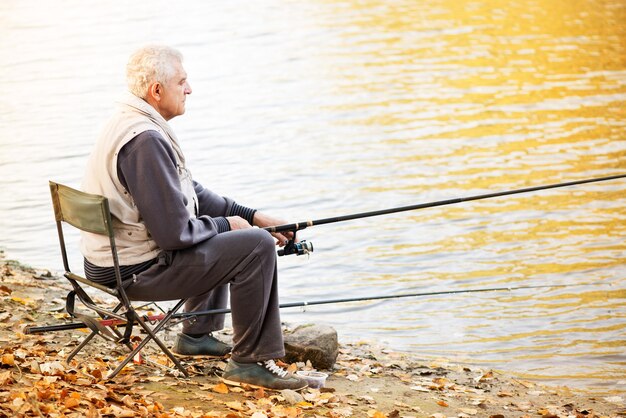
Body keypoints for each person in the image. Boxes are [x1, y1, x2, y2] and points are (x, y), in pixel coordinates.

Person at [80, 44, 307, 391]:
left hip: (114, 261)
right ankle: (250, 361)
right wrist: (230, 226)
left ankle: (196, 336)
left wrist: (252, 216)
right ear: (157, 90)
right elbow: (175, 235)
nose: (189, 89)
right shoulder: (144, 141)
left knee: (239, 233)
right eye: (182, 82)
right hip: (132, 272)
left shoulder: (132, 120)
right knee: (255, 247)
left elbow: (190, 194)